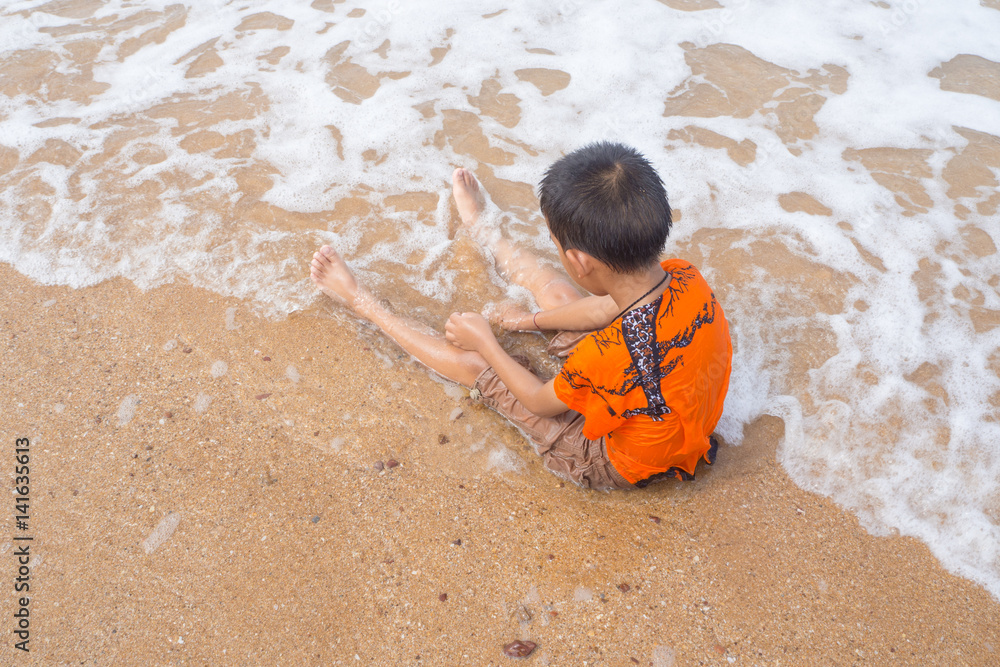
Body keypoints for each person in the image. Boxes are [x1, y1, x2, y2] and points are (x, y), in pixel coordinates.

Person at [310, 141, 732, 490]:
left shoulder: (604, 355)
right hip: (672, 411)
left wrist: (488, 341)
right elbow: (606, 307)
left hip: (616, 461)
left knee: (484, 367)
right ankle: (482, 229)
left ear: (579, 260)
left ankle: (360, 300)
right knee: (561, 298)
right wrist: (526, 321)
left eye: (555, 242)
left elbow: (538, 401)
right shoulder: (683, 276)